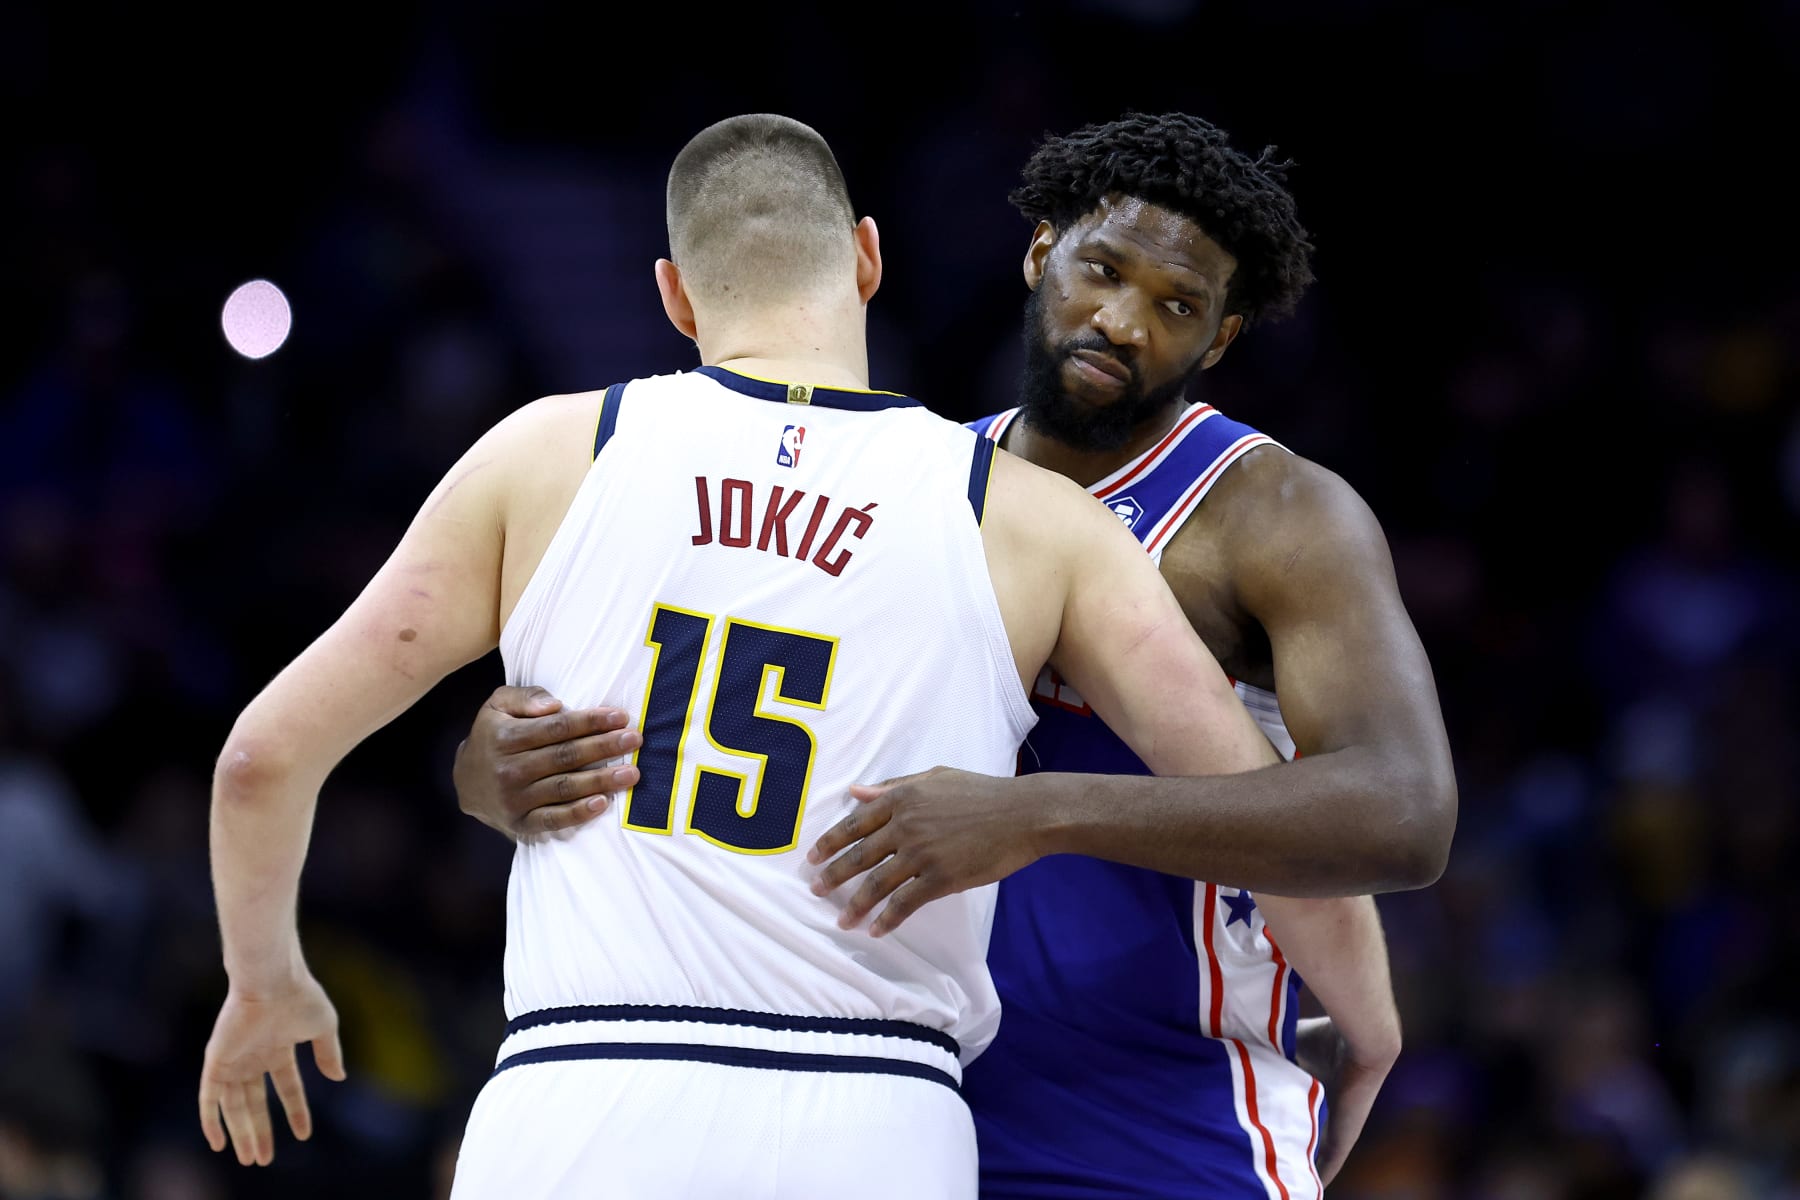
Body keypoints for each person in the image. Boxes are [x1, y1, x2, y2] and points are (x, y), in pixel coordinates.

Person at [194, 113, 1306, 1198]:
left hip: (583, 1095)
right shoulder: (1027, 518)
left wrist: (264, 980)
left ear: (675, 295)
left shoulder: (549, 451)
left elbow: (259, 759)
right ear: (868, 258)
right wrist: (1366, 1016)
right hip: (875, 1112)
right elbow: (1272, 823)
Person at [455, 111, 1456, 1195]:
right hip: (899, 1111)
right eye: (1101, 271)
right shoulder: (921, 482)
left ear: (1219, 339)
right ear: (1040, 252)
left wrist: (1035, 814)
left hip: (1162, 1124)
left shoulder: (1271, 515)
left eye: (1176, 308)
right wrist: (493, 768)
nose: (1121, 323)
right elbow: (710, 704)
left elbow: (1399, 813)